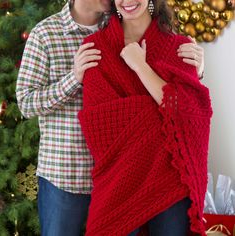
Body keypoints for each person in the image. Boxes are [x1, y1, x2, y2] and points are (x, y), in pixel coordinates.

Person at [16, 0, 205, 235]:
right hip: (70, 174)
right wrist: (74, 78)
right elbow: (28, 103)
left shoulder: (167, 41)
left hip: (150, 176)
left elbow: (186, 110)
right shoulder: (57, 36)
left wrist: (194, 69)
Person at [78, 0, 212, 236]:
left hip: (170, 180)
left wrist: (141, 67)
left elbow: (188, 114)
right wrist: (158, 109)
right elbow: (99, 127)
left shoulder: (180, 48)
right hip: (118, 180)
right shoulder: (95, 48)